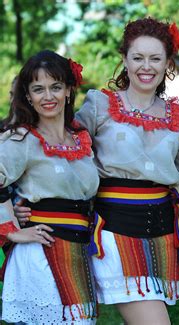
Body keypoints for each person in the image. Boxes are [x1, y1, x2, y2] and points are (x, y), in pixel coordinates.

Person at [15, 18, 179, 325]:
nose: (147, 66)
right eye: (138, 57)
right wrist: (20, 203)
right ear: (125, 60)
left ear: (168, 63)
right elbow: (60, 148)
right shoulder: (100, 105)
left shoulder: (178, 116)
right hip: (114, 233)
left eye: (155, 58)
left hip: (161, 233)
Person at [0, 50, 99, 324]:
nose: (48, 96)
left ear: (68, 90)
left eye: (55, 87)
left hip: (79, 252)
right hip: (39, 256)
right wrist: (12, 230)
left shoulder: (81, 138)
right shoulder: (21, 138)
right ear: (28, 96)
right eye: (38, 89)